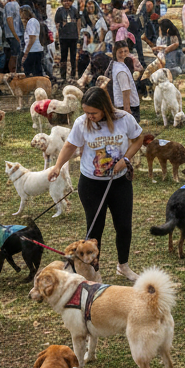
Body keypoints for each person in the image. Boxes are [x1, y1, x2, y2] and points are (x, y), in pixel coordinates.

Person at [47, 86, 143, 283]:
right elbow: (70, 145)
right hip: (91, 183)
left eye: (93, 112)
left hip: (120, 182)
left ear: (105, 109)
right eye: (86, 112)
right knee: (94, 230)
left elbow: (138, 139)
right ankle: (93, 271)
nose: (89, 116)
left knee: (123, 226)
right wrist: (57, 166)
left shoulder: (124, 119)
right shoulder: (82, 123)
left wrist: (125, 159)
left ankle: (123, 266)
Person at [109, 39, 140, 120]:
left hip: (122, 104)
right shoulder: (121, 70)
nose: (123, 54)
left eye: (125, 51)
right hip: (128, 105)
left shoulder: (117, 64)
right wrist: (127, 109)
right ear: (115, 52)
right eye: (120, 52)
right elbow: (125, 90)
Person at [55, 0, 80, 81]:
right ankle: (63, 76)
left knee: (73, 57)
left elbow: (78, 21)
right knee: (63, 57)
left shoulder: (74, 10)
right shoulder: (59, 11)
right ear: (62, 2)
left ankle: (73, 75)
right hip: (63, 37)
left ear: (72, 1)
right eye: (65, 1)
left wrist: (78, 33)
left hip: (73, 37)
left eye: (69, 1)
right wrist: (59, 32)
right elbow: (57, 23)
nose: (67, 2)